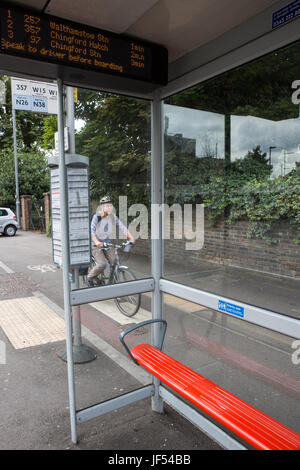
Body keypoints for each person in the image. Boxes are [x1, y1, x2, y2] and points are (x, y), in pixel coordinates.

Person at [87, 195, 135, 286]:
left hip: (107, 244)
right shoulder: (97, 217)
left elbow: (122, 227)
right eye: (107, 205)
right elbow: (91, 232)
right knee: (102, 264)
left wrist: (131, 237)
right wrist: (97, 242)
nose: (110, 207)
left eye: (111, 205)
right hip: (95, 245)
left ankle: (112, 284)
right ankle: (89, 277)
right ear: (102, 207)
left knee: (114, 262)